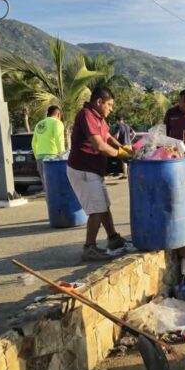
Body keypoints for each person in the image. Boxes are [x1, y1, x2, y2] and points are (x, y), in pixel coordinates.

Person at [66, 87, 133, 262]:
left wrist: (123, 147)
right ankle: (89, 248)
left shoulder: (99, 118)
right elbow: (99, 145)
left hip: (94, 170)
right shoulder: (87, 115)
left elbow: (108, 137)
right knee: (96, 210)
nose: (111, 109)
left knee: (104, 206)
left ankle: (113, 238)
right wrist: (121, 155)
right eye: (109, 105)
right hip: (84, 170)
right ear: (99, 102)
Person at [31, 105, 64, 191]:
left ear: (47, 114)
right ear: (58, 114)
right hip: (53, 158)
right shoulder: (57, 123)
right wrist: (62, 155)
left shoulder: (39, 124)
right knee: (57, 186)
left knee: (47, 187)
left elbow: (34, 143)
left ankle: (50, 204)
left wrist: (37, 156)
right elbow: (58, 138)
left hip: (40, 158)